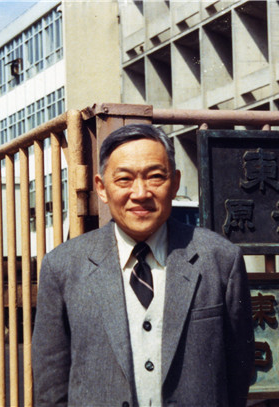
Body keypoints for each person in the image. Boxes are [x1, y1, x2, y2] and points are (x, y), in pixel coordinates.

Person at [32, 124, 254, 406]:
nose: (140, 193)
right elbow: (50, 385)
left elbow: (239, 371)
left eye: (155, 177)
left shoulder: (220, 259)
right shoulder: (62, 266)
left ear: (175, 183)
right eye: (124, 179)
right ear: (101, 188)